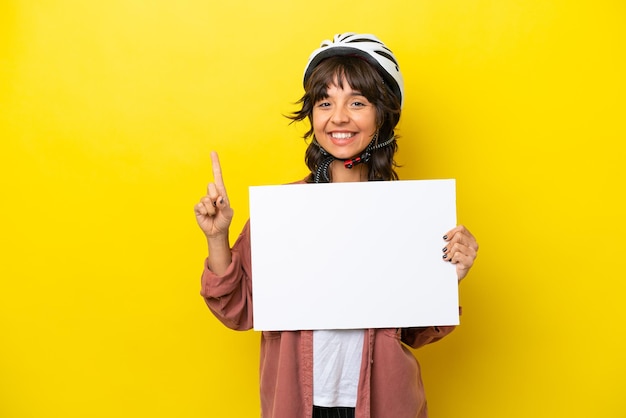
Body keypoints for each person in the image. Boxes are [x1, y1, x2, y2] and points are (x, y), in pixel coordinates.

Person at [194, 33, 479, 418]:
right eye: (325, 102)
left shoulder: (410, 213)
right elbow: (238, 311)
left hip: (384, 405)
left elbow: (415, 333)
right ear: (312, 114)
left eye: (357, 102)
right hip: (298, 404)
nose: (339, 117)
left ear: (383, 115)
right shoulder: (283, 211)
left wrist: (448, 276)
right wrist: (217, 237)